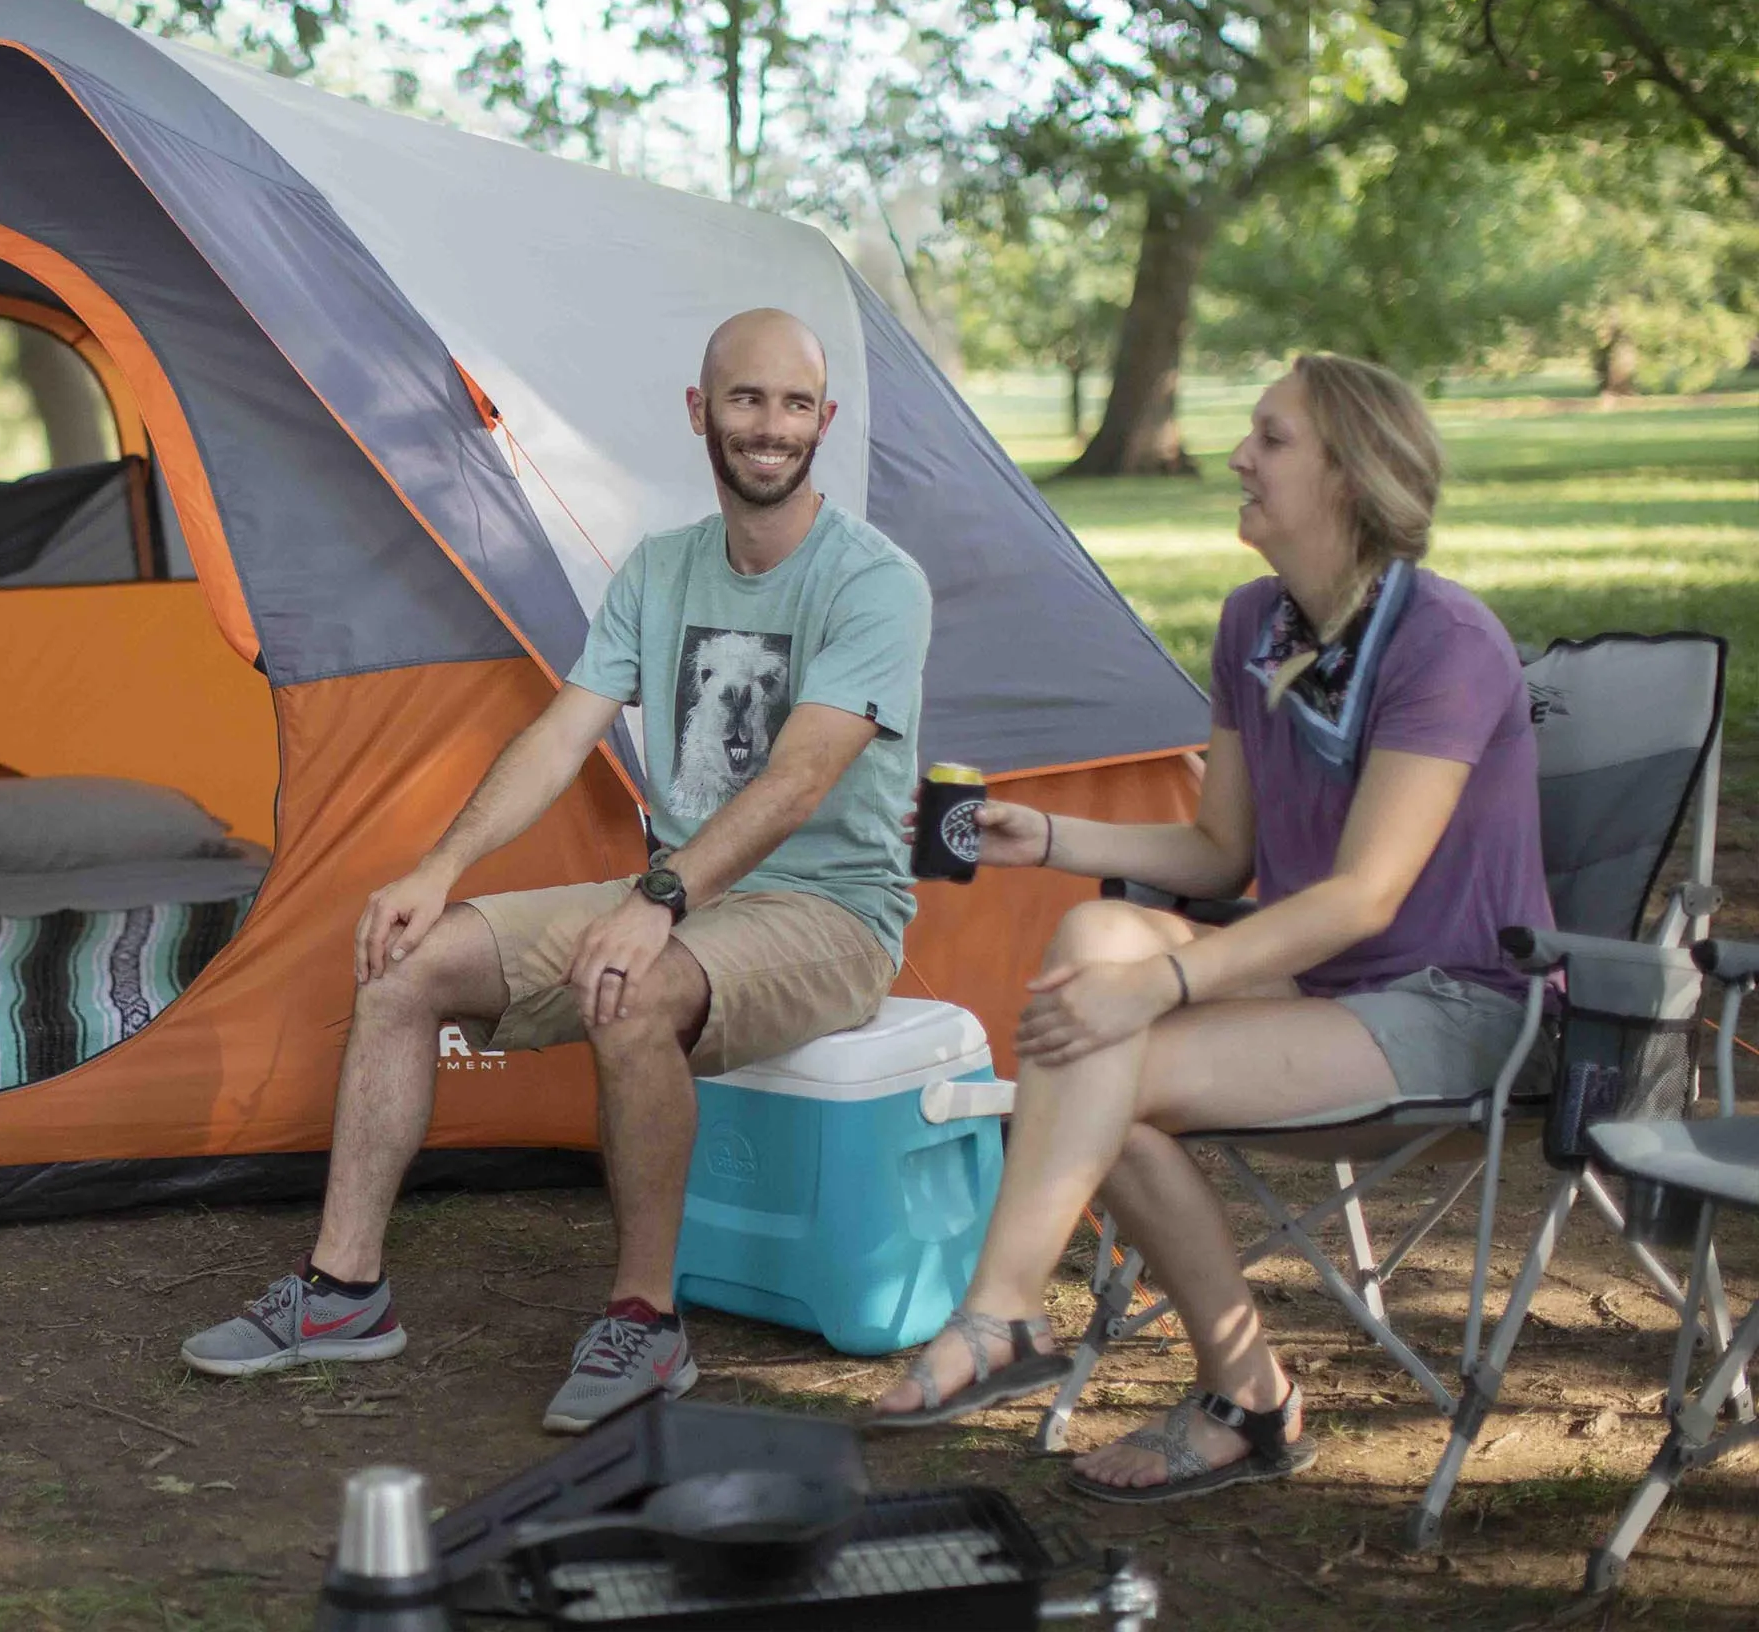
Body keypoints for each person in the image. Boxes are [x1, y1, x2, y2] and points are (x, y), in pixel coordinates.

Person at [182, 307, 928, 1433]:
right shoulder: (662, 570)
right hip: (685, 898)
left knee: (629, 987)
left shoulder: (874, 582)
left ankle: (645, 1320)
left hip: (830, 913)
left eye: (791, 405)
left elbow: (797, 783)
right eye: (744, 399)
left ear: (822, 421)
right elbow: (558, 736)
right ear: (700, 411)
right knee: (403, 966)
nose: (768, 427)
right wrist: (439, 866)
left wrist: (656, 901)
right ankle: (344, 1294)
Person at [866, 352, 1553, 1504]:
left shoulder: (1448, 644)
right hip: (1316, 983)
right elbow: (1219, 856)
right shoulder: (1255, 624)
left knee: (1108, 1051)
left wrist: (1168, 988)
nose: (1238, 455)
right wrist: (1053, 836)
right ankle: (1188, 1377)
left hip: (1455, 1002)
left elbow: (1362, 897)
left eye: (1272, 438)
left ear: (1351, 473)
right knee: (1095, 964)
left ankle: (1031, 1325)